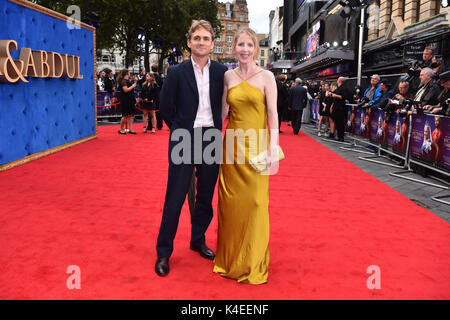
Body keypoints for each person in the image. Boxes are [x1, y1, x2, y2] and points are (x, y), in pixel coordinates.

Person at [155, 20, 228, 277]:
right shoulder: (176, 72)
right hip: (184, 137)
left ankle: (198, 239)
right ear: (189, 42)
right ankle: (163, 252)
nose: (201, 42)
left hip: (210, 138)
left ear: (212, 43)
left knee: (205, 197)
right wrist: (178, 128)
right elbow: (164, 107)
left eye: (205, 38)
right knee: (174, 197)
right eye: (196, 38)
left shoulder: (222, 72)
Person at [213, 27, 279, 284]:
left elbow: (273, 114)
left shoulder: (267, 77)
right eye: (240, 45)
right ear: (234, 48)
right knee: (230, 206)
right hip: (231, 149)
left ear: (255, 48)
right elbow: (221, 114)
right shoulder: (228, 76)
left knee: (256, 204)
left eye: (249, 45)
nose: (244, 49)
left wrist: (274, 145)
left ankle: (252, 261)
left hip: (258, 148)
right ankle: (229, 260)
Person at [328, 77, 350, 142]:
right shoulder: (338, 88)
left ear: (339, 81)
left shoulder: (344, 88)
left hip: (340, 108)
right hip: (336, 108)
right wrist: (331, 94)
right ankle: (339, 136)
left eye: (337, 80)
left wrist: (335, 95)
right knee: (337, 122)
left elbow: (343, 97)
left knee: (340, 123)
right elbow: (334, 93)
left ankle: (341, 137)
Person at [116, 69, 137, 135]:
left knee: (130, 115)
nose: (130, 74)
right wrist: (133, 86)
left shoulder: (127, 81)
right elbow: (125, 90)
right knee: (125, 115)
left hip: (130, 99)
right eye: (129, 73)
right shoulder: (123, 81)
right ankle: (121, 129)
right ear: (127, 73)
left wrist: (135, 82)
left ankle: (130, 129)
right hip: (125, 100)